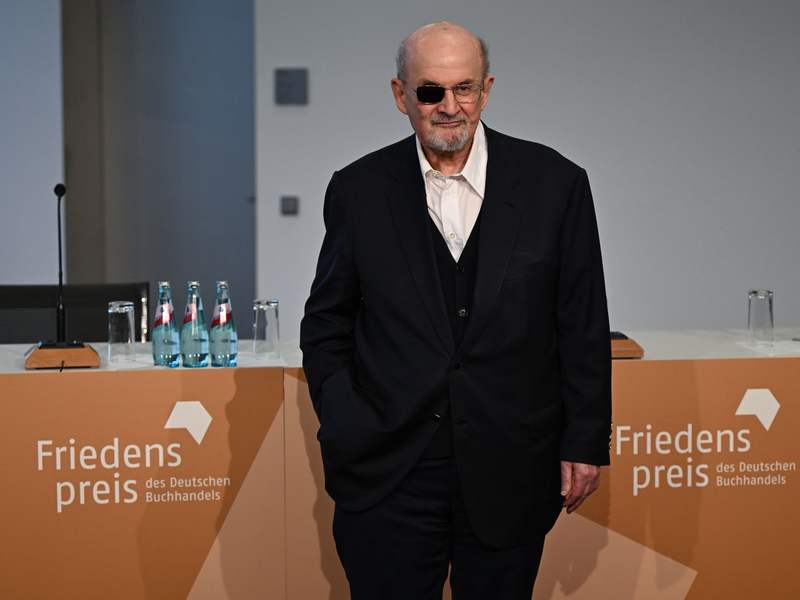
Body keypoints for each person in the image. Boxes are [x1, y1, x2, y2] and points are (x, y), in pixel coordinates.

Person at [300, 21, 611, 600]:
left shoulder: (556, 185)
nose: (450, 106)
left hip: (511, 464)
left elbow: (582, 325)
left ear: (487, 90)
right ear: (401, 95)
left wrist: (584, 442)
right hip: (388, 471)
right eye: (430, 92)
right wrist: (346, 422)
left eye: (464, 88)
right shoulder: (359, 189)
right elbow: (326, 324)